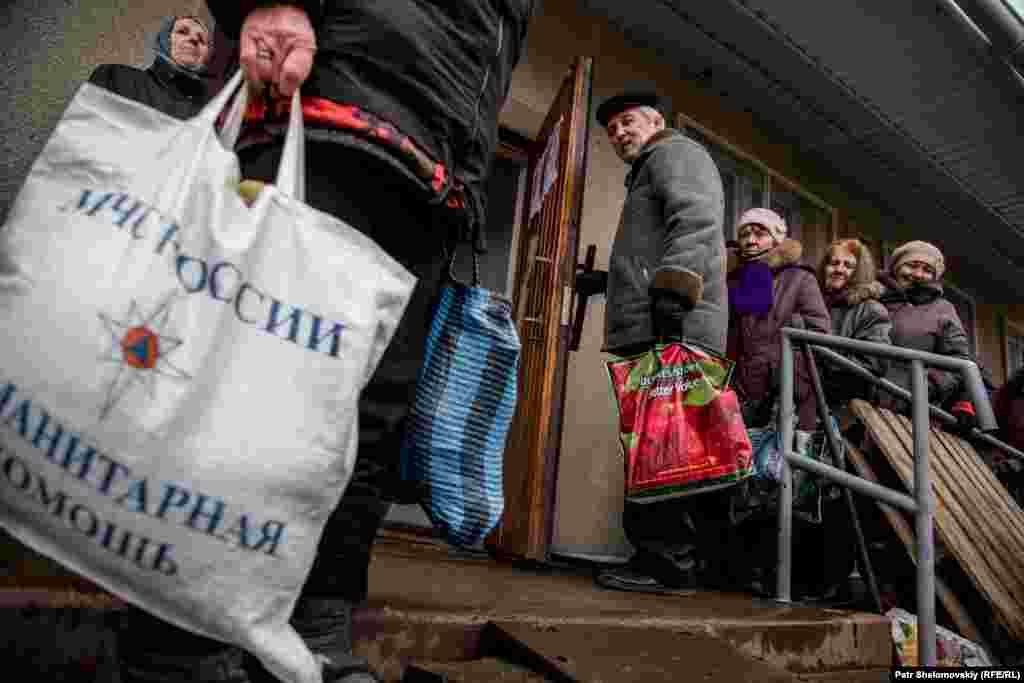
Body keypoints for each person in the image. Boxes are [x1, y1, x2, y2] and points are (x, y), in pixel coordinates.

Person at [115, 3, 536, 682]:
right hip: (332, 119)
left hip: (438, 185)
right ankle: (181, 631)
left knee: (374, 415)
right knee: (260, 387)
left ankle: (317, 614)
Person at [575, 91, 737, 595]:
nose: (619, 133)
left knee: (661, 447)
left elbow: (697, 220)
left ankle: (667, 566)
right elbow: (653, 249)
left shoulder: (674, 154)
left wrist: (674, 290)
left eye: (627, 122)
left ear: (656, 121)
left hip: (673, 325)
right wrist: (608, 283)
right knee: (668, 443)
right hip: (663, 320)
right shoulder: (651, 165)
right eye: (612, 130)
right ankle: (683, 563)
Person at [726, 208, 831, 431]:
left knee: (780, 464)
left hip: (783, 396)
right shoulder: (733, 279)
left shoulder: (800, 278)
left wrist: (777, 370)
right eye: (745, 235)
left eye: (759, 234)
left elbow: (819, 333)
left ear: (775, 239)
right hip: (736, 391)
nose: (751, 241)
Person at [877, 241, 982, 429]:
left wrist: (924, 387)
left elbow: (957, 360)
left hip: (914, 417)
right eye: (911, 265)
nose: (917, 274)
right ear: (895, 267)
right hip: (861, 406)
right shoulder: (871, 296)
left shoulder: (942, 310)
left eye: (927, 270)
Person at [88, 15, 213, 120]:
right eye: (182, 32)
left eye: (201, 40)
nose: (194, 39)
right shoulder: (115, 78)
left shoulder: (205, 116)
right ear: (165, 39)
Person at [816, 238, 892, 408]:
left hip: (843, 409)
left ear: (859, 272)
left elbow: (874, 363)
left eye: (848, 266)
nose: (839, 269)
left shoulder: (871, 310)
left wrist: (819, 360)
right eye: (834, 263)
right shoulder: (811, 303)